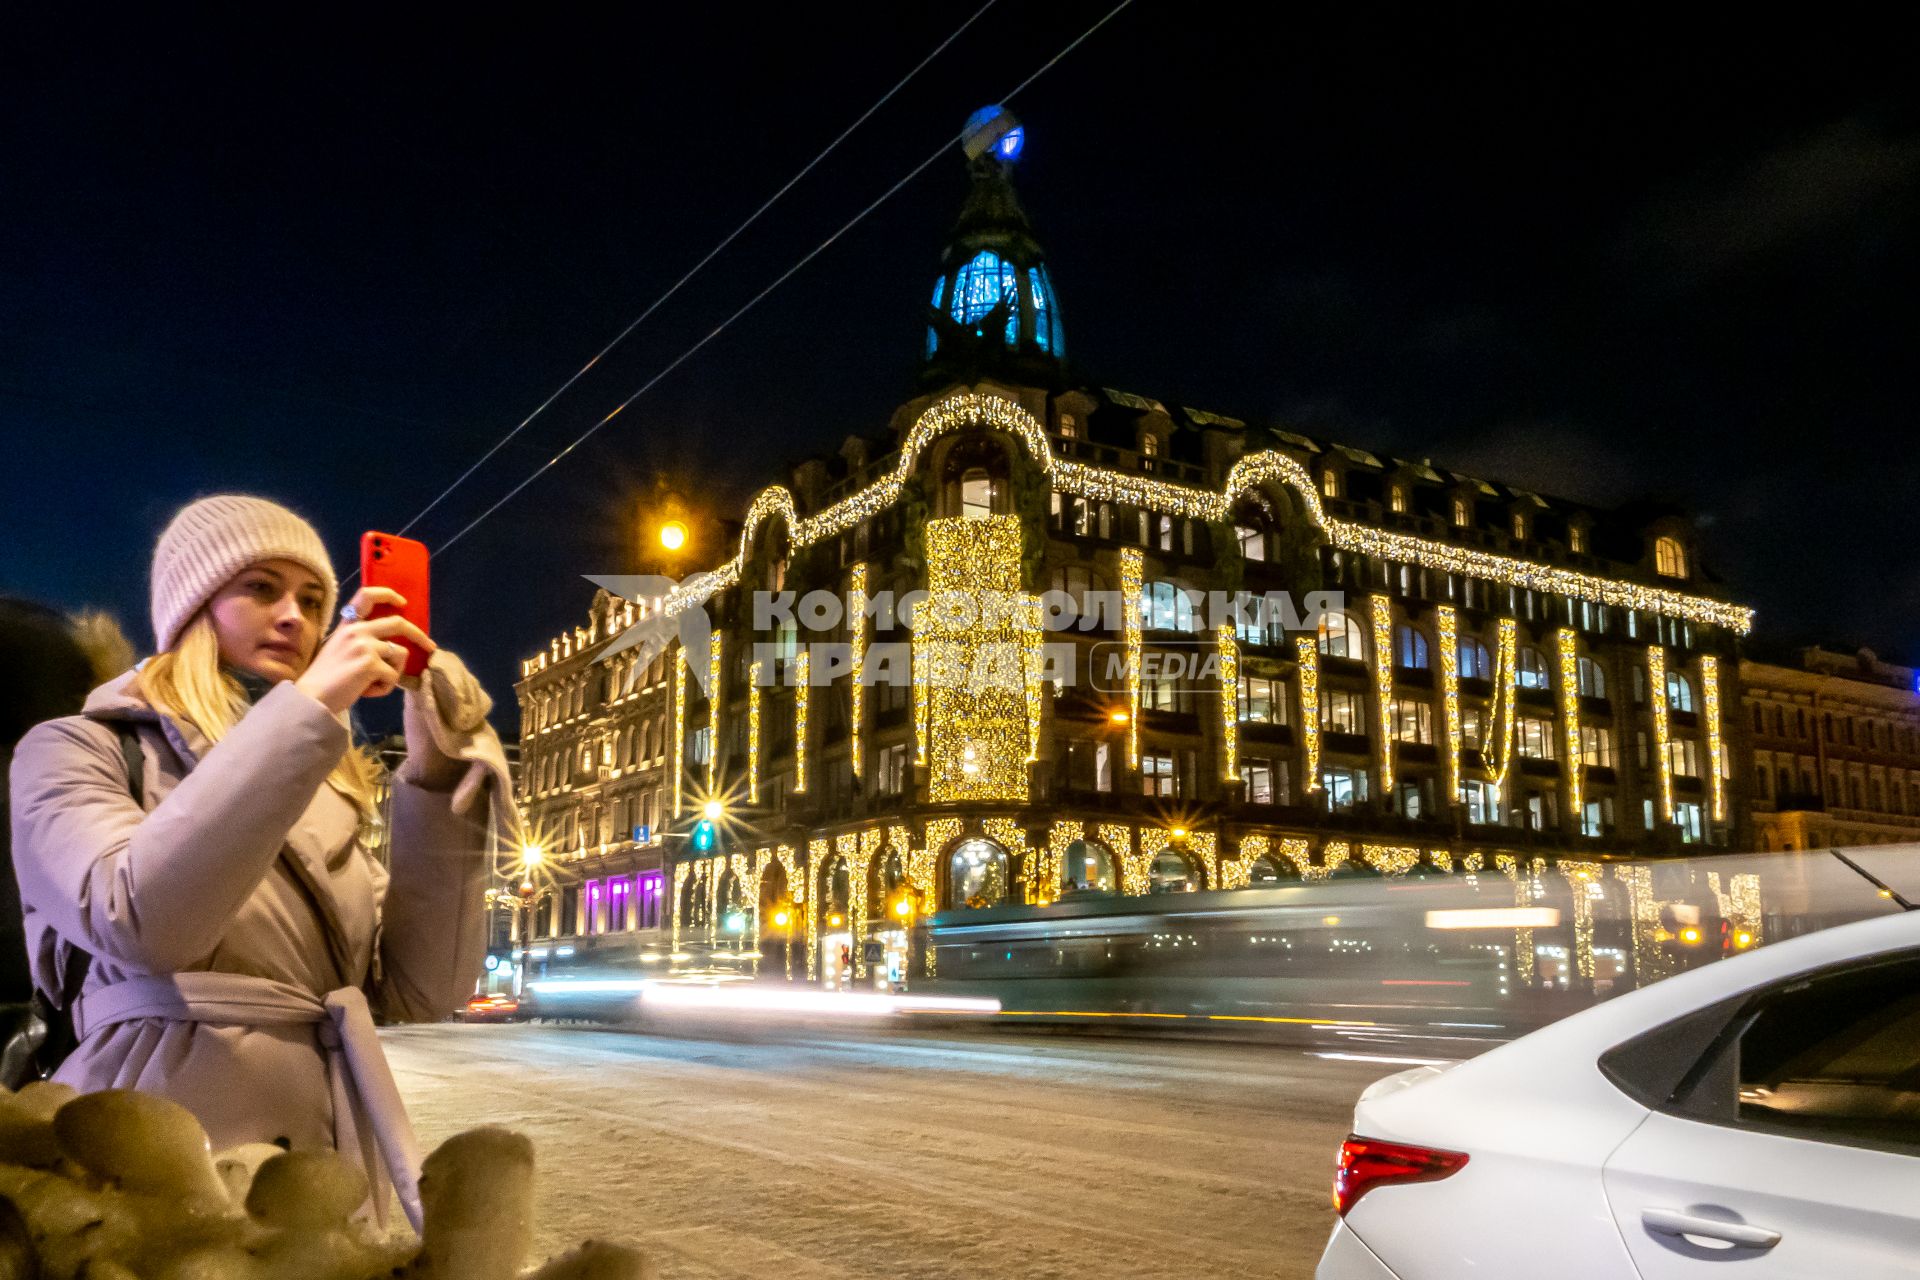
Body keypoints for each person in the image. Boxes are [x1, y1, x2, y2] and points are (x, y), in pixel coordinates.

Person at [8, 495, 517, 1225]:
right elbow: (136, 918)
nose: (295, 618)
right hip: (152, 1152)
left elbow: (423, 988)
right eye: (260, 588)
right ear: (192, 606)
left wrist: (436, 781)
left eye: (313, 600)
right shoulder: (76, 746)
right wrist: (308, 711)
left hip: (323, 1165)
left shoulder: (326, 783)